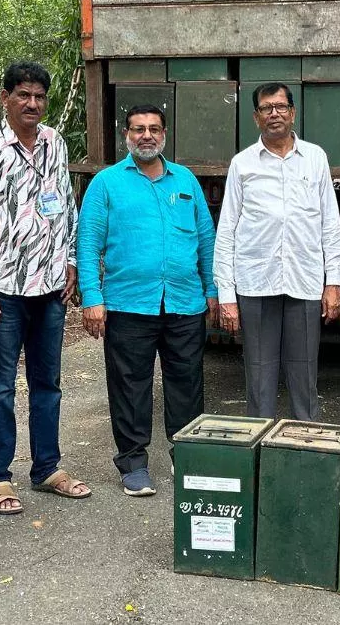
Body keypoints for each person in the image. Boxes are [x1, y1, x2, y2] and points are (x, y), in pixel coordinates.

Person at [0, 62, 88, 515]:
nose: (32, 104)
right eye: (23, 95)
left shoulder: (55, 143)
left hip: (49, 289)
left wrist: (70, 261)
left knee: (47, 383)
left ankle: (47, 468)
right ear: (5, 98)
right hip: (1, 291)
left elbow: (66, 209)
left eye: (38, 97)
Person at [79, 104, 218, 497]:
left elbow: (206, 240)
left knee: (186, 382)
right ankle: (133, 462)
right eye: (138, 129)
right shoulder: (106, 183)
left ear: (164, 135)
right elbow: (87, 244)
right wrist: (93, 297)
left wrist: (212, 290)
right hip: (127, 304)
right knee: (129, 385)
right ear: (126, 135)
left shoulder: (185, 180)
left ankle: (187, 453)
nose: (146, 136)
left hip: (184, 303)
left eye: (154, 129)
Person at [213, 83, 340, 420]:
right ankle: (260, 457)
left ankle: (306, 451)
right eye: (267, 108)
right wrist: (226, 295)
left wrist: (334, 283)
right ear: (256, 117)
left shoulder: (315, 158)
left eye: (281, 106)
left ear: (293, 113)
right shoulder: (242, 164)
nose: (275, 113)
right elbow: (226, 231)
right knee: (259, 378)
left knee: (305, 377)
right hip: (256, 284)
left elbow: (330, 224)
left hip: (304, 282)